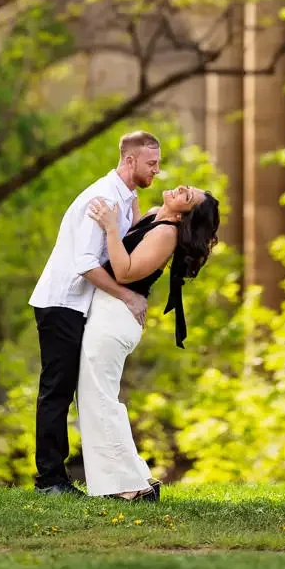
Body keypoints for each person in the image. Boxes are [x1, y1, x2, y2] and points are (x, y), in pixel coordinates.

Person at [29, 130, 162, 496]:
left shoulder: (125, 198)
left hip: (79, 306)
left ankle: (73, 477)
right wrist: (128, 297)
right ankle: (49, 481)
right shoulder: (102, 198)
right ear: (130, 160)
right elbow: (86, 263)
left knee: (73, 390)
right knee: (56, 390)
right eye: (151, 163)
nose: (156, 170)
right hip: (61, 303)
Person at [77, 184, 220, 500]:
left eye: (187, 196)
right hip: (108, 313)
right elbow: (135, 237)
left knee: (99, 400)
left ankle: (130, 487)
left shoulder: (168, 233)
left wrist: (110, 227)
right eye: (188, 187)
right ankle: (137, 477)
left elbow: (124, 272)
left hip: (116, 316)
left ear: (184, 215)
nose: (181, 188)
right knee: (98, 398)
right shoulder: (156, 216)